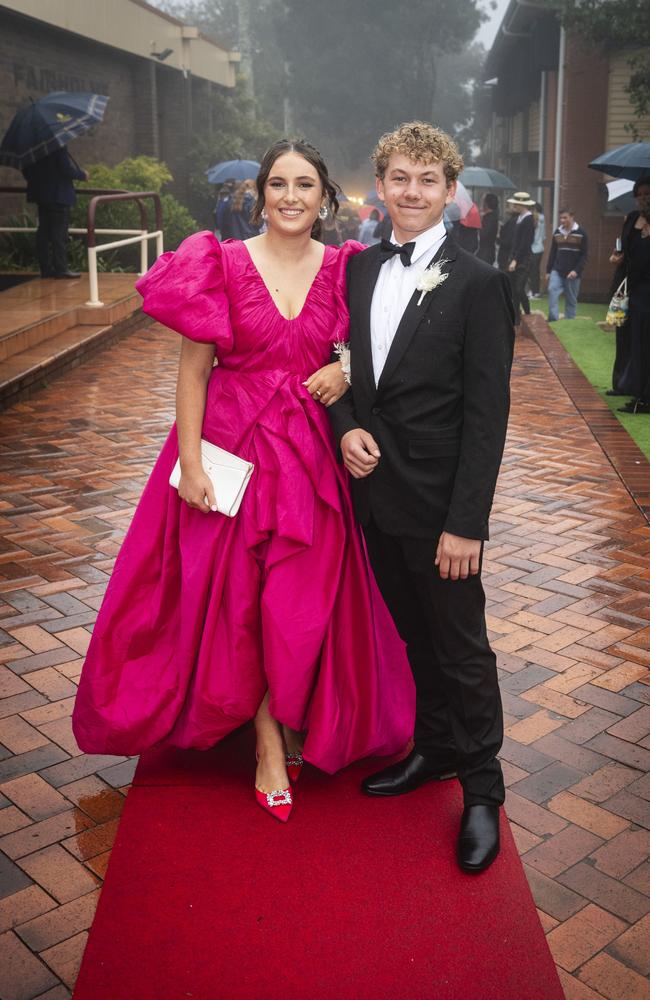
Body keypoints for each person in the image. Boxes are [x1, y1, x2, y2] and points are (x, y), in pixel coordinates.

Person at [72, 139, 414, 823]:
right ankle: (264, 738)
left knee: (295, 599)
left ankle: (281, 711)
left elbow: (381, 347)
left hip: (313, 460)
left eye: (306, 185)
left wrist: (345, 370)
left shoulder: (349, 270)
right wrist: (192, 463)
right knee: (232, 603)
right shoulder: (220, 263)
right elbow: (193, 371)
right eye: (279, 184)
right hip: (232, 453)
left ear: (326, 199)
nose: (291, 197)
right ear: (260, 194)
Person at [329, 121, 515, 873]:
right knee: (413, 639)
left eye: (427, 179)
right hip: (375, 499)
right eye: (399, 178)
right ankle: (434, 751)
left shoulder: (481, 284)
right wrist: (343, 427)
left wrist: (467, 525)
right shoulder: (359, 272)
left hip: (444, 513)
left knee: (463, 649)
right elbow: (338, 363)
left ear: (449, 191)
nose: (411, 191)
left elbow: (487, 415)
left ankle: (481, 790)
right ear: (380, 186)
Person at [608, 177, 650, 414]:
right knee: (632, 342)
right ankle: (633, 389)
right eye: (640, 194)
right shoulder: (633, 219)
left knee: (645, 345)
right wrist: (617, 256)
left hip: (647, 292)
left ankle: (644, 396)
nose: (643, 198)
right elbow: (624, 249)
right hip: (632, 291)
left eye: (647, 194)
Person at [21, 146, 87, 278]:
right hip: (58, 196)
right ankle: (61, 269)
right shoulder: (57, 146)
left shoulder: (32, 148)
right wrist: (82, 175)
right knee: (59, 234)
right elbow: (65, 169)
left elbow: (26, 171)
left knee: (44, 233)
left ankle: (46, 269)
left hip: (42, 196)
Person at [545, 208, 588, 321]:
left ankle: (569, 322)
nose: (562, 220)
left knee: (571, 299)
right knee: (552, 290)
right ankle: (553, 320)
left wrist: (576, 270)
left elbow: (584, 255)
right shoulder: (557, 232)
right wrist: (548, 271)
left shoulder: (581, 233)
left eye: (565, 217)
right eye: (561, 218)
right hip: (557, 270)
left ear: (572, 216)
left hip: (573, 273)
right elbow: (552, 252)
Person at [506, 191, 535, 326]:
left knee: (519, 288)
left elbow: (525, 243)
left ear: (522, 205)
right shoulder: (520, 218)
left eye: (516, 203)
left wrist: (515, 260)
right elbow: (516, 242)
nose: (514, 206)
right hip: (515, 258)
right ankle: (517, 318)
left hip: (524, 260)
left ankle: (527, 314)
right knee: (514, 290)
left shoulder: (528, 220)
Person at [529, 202, 546, 298]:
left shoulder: (534, 218)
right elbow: (543, 236)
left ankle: (533, 291)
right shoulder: (543, 218)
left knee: (531, 270)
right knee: (536, 270)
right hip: (540, 247)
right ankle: (536, 291)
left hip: (533, 248)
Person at [477, 192, 498, 265]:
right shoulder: (490, 217)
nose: (481, 203)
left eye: (483, 201)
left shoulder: (490, 219)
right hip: (485, 253)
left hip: (485, 254)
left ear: (486, 204)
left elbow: (483, 235)